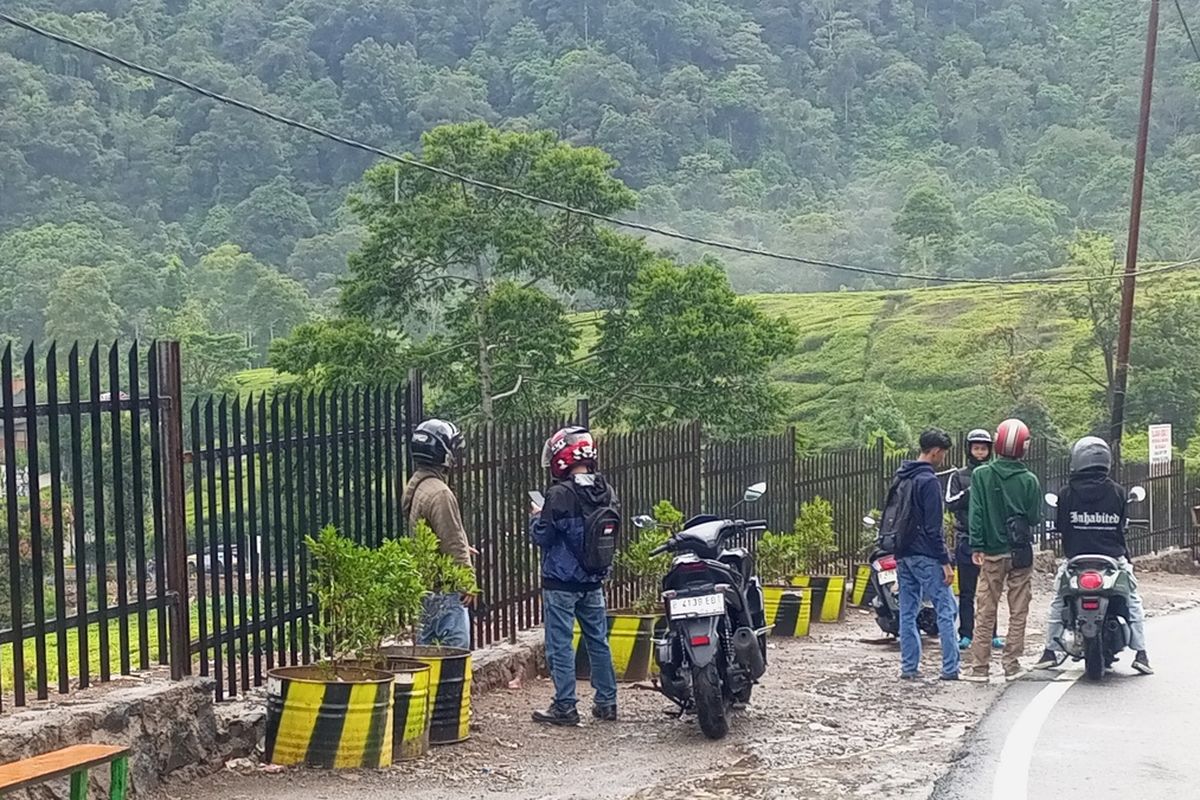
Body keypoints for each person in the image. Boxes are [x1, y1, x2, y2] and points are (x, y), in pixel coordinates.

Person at [1033, 437, 1153, 675]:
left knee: (1058, 600)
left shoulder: (1066, 494)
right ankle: (1141, 653)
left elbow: (1060, 526)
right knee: (1132, 601)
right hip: (1112, 560)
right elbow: (1122, 524)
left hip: (1076, 560)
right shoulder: (1118, 492)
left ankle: (1049, 651)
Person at [529, 426, 619, 725]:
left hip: (561, 580)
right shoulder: (605, 489)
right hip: (594, 579)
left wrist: (535, 517)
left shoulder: (558, 494)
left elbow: (544, 536)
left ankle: (565, 705)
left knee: (560, 644)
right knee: (598, 640)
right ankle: (607, 702)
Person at [962, 419, 1042, 682]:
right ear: (1023, 448)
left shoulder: (981, 475)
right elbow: (1034, 518)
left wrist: (977, 545)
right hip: (1020, 554)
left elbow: (976, 514)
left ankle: (979, 668)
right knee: (1018, 609)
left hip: (991, 553)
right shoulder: (1030, 480)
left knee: (985, 609)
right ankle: (1011, 664)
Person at [886, 428, 960, 681]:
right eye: (944, 454)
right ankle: (950, 669)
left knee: (907, 612)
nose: (944, 459)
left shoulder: (903, 477)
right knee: (947, 609)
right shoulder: (928, 481)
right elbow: (933, 527)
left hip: (902, 552)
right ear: (936, 451)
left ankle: (909, 668)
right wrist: (945, 561)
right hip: (926, 555)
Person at [401, 418, 475, 650]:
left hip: (426, 586)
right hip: (445, 589)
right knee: (455, 653)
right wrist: (467, 580)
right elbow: (452, 543)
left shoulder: (417, 486)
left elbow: (435, 534)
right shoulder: (441, 493)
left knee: (427, 652)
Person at [944, 429, 1002, 652]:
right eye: (976, 448)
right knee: (967, 591)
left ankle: (992, 633)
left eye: (984, 448)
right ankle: (966, 633)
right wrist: (969, 492)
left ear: (990, 450)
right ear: (969, 449)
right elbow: (950, 502)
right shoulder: (958, 476)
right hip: (966, 538)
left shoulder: (995, 474)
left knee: (991, 590)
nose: (980, 452)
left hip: (990, 541)